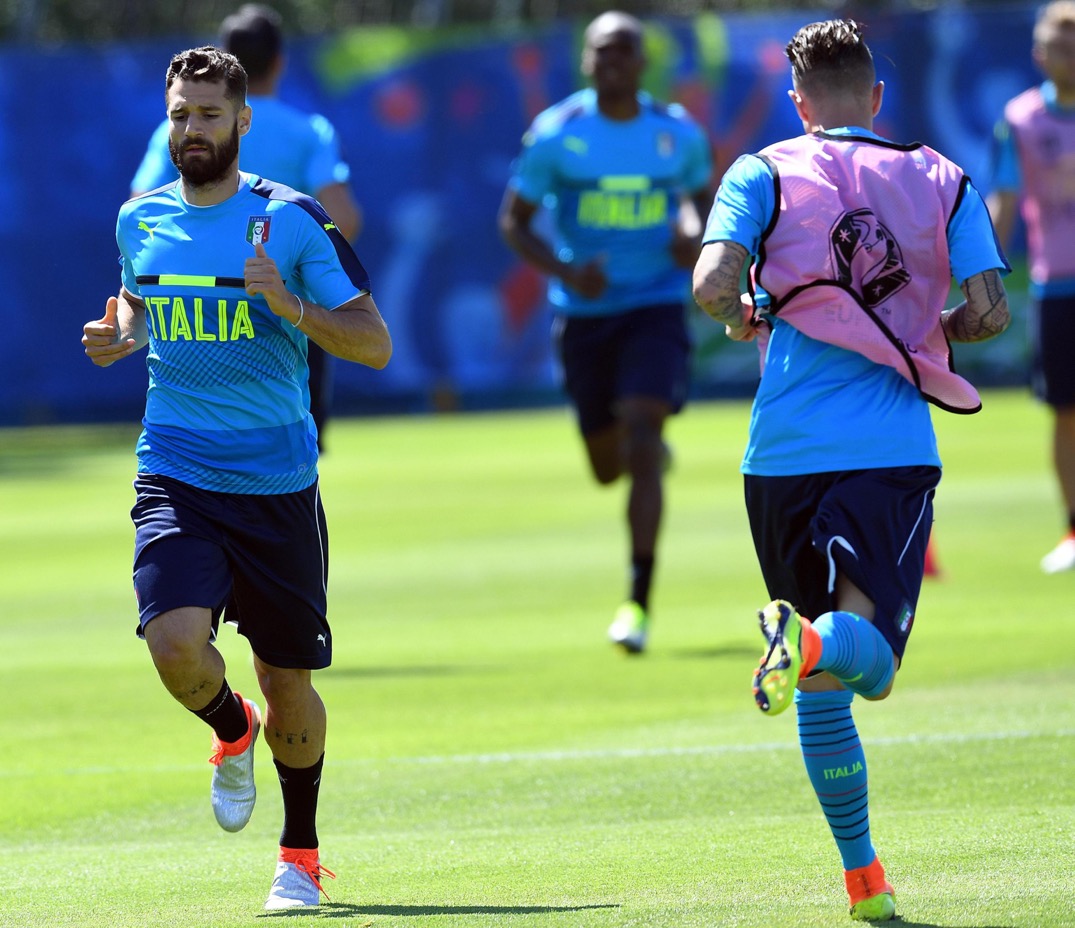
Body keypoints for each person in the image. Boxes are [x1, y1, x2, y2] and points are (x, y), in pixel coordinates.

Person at [692, 19, 1009, 921]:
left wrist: (748, 308)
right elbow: (987, 312)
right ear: (876, 97)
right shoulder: (942, 176)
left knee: (818, 690)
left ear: (798, 103)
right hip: (887, 453)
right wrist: (922, 329)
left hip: (778, 454)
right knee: (860, 666)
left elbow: (712, 286)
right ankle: (812, 640)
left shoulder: (759, 170)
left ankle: (864, 882)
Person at [82, 46, 391, 910]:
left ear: (242, 122)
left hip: (277, 485)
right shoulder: (138, 220)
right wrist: (122, 335)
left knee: (287, 678)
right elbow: (142, 308)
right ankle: (231, 729)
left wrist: (289, 305)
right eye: (179, 115)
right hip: (175, 470)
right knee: (174, 645)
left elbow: (373, 343)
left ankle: (299, 855)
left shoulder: (289, 220)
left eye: (208, 116)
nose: (191, 130)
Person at [498, 10, 713, 655]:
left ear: (643, 63)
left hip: (654, 305)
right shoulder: (558, 134)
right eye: (601, 52)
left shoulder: (675, 133)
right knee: (606, 465)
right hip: (585, 316)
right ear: (586, 62)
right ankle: (641, 447)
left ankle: (637, 604)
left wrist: (691, 233)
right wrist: (567, 271)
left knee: (643, 437)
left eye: (625, 51)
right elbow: (513, 221)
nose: (613, 61)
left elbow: (700, 203)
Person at [131, 3, 362, 453]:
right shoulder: (308, 131)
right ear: (280, 62)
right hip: (288, 311)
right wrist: (304, 272)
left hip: (196, 313)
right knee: (290, 443)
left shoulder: (179, 128)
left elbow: (142, 207)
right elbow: (344, 219)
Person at [988, 0, 1075, 573]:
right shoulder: (1019, 119)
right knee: (1066, 411)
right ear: (1038, 53)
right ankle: (1074, 530)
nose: (1066, 54)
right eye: (1057, 43)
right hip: (1057, 287)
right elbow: (1005, 201)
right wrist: (983, 276)